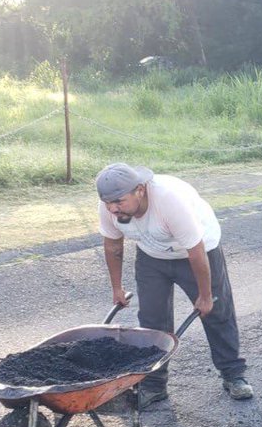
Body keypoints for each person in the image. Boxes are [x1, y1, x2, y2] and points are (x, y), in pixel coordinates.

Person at [96, 163, 253, 405]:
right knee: (151, 320)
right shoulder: (109, 206)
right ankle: (154, 384)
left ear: (139, 190)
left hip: (198, 251)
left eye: (119, 202)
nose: (114, 209)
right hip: (152, 255)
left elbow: (196, 250)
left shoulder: (169, 201)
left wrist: (205, 295)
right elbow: (113, 245)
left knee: (216, 313)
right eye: (109, 204)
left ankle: (233, 374)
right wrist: (116, 287)